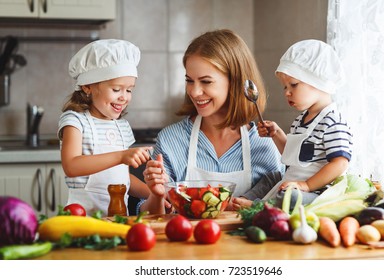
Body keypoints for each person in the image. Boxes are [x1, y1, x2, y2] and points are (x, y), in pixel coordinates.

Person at [141, 29, 285, 213]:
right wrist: (156, 195)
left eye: (206, 81)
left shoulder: (266, 144)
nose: (194, 91)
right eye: (189, 80)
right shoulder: (170, 140)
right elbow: (153, 219)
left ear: (235, 81)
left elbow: (280, 211)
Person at [236, 39, 353, 210]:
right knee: (272, 177)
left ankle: (257, 207)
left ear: (318, 82)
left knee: (291, 197)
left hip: (317, 191)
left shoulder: (333, 122)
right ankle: (242, 200)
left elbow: (340, 163)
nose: (287, 92)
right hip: (295, 181)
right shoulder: (301, 120)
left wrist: (307, 185)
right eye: (284, 87)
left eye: (294, 85)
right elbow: (294, 156)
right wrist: (276, 134)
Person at [58, 39, 159, 216]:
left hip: (118, 218)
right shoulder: (75, 121)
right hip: (82, 218)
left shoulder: (122, 127)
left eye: (129, 90)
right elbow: (71, 166)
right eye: (116, 89)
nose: (124, 97)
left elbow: (123, 178)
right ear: (88, 86)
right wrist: (121, 156)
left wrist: (155, 194)